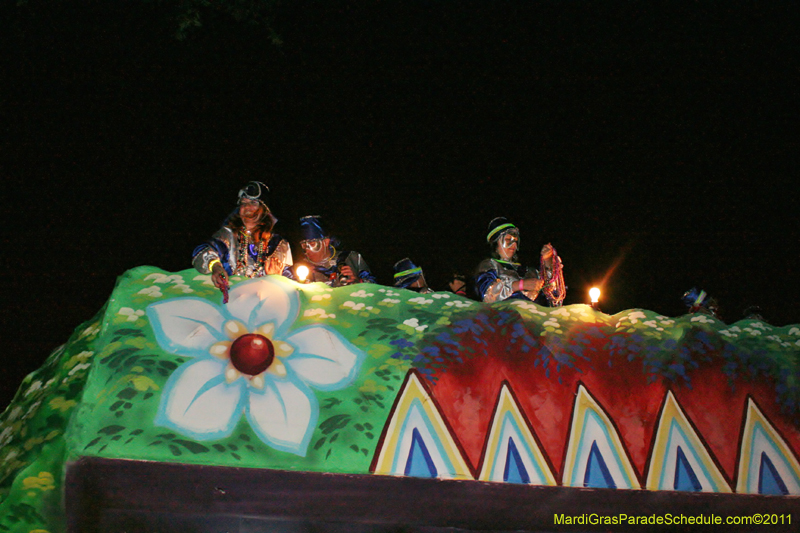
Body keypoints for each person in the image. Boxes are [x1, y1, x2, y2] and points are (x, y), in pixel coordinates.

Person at [193, 182, 294, 295]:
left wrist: (275, 279)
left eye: (253, 203)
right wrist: (215, 266)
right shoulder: (228, 235)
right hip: (230, 299)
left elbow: (291, 285)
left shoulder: (279, 245)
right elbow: (203, 251)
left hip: (267, 301)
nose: (247, 207)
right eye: (243, 203)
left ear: (265, 209)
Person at [475, 217, 565, 305]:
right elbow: (488, 295)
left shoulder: (529, 271)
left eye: (515, 241)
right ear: (495, 242)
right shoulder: (489, 265)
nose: (513, 244)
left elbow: (554, 296)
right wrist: (521, 285)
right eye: (508, 240)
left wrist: (548, 262)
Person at [298, 215, 376, 286]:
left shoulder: (350, 258)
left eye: (312, 244)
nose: (307, 250)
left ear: (326, 242)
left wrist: (358, 281)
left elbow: (373, 287)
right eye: (304, 246)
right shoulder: (300, 268)